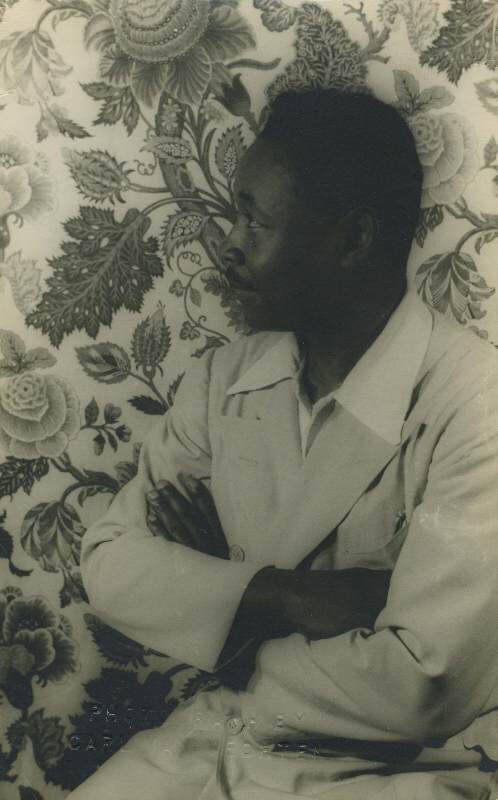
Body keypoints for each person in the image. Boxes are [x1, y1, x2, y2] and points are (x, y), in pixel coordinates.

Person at [69, 89, 498, 799]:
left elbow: (426, 688)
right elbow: (111, 562)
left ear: (353, 240)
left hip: (401, 770)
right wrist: (285, 596)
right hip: (222, 733)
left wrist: (217, 614)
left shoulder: (475, 403)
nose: (226, 246)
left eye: (254, 220)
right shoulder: (226, 378)